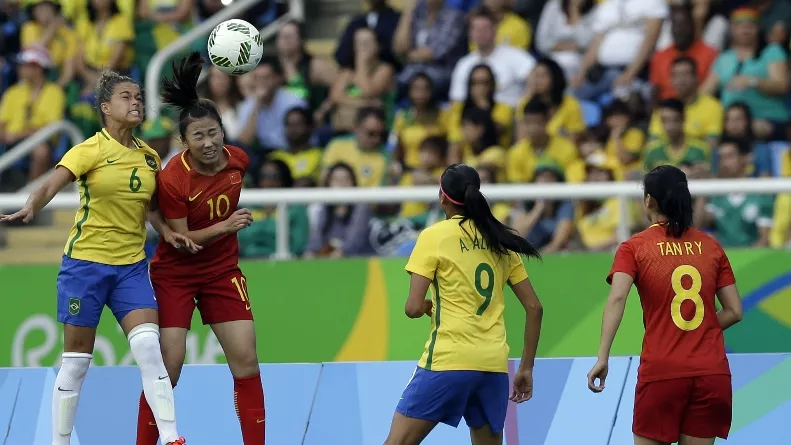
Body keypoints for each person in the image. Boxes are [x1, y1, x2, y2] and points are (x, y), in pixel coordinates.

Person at [0, 71, 192, 445]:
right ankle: (60, 442)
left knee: (148, 348)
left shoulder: (151, 158)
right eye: (126, 96)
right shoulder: (90, 149)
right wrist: (30, 207)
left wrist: (165, 230)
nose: (136, 101)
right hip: (85, 266)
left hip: (131, 268)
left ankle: (171, 437)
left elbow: (151, 207)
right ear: (106, 107)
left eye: (138, 96)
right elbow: (51, 184)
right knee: (75, 363)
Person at [136, 52, 265, 445]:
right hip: (176, 275)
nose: (208, 143)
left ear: (222, 130)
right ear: (183, 141)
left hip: (223, 273)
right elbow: (184, 238)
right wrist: (227, 225)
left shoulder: (237, 162)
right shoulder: (174, 178)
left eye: (214, 133)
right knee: (169, 368)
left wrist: (226, 234)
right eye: (198, 136)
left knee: (246, 362)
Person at [384, 164, 545, 445]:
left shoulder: (434, 236)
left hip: (448, 359)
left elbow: (411, 308)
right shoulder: (501, 238)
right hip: (493, 366)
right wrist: (526, 368)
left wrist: (424, 306)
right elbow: (535, 308)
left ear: (442, 197)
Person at [587, 165, 744, 445]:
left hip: (662, 372)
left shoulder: (634, 247)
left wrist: (602, 356)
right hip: (712, 373)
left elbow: (618, 297)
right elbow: (734, 311)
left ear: (649, 200)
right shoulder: (711, 246)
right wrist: (699, 329)